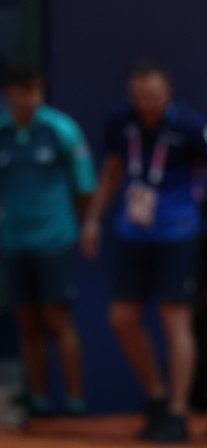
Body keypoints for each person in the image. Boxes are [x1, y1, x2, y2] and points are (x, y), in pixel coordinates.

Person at [80, 59, 207, 443]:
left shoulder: (191, 126)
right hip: (132, 233)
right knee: (122, 318)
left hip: (178, 234)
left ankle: (178, 411)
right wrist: (92, 219)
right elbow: (112, 171)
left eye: (153, 95)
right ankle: (156, 395)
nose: (146, 102)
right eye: (139, 95)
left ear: (167, 92)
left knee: (175, 320)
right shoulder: (121, 122)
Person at [0, 61, 97, 417]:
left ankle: (74, 404)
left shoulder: (62, 130)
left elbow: (85, 188)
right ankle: (38, 401)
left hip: (54, 241)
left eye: (37, 92)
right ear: (9, 93)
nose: (31, 99)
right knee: (26, 322)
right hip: (13, 241)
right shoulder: (2, 131)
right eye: (24, 92)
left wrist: (74, 226)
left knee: (58, 320)